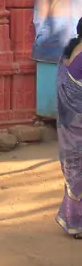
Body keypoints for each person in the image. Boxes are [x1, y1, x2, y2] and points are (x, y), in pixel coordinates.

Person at [56, 17, 82, 237]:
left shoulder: (67, 54)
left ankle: (70, 219)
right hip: (79, 124)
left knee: (73, 172)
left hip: (68, 125)